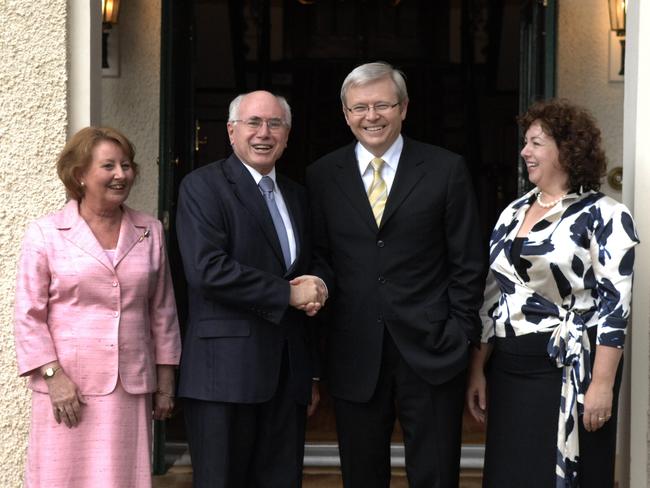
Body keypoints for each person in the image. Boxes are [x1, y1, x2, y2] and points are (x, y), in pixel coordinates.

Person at [306, 61, 485, 487]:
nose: (372, 116)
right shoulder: (321, 175)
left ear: (404, 108)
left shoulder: (445, 169)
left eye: (382, 104)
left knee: (436, 473)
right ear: (346, 113)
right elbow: (319, 257)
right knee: (362, 473)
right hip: (354, 350)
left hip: (432, 348)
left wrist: (459, 331)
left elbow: (468, 260)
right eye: (360, 107)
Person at [466, 99, 639, 488]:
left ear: (568, 148)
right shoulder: (512, 212)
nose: (525, 152)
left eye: (536, 143)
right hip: (510, 370)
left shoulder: (606, 214)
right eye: (525, 143)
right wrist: (478, 368)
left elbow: (615, 309)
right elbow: (493, 298)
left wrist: (602, 384)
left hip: (571, 370)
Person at [13, 127, 182, 487]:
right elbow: (29, 315)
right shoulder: (45, 233)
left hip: (129, 386)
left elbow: (162, 309)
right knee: (62, 477)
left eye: (126, 165)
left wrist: (165, 380)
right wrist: (53, 377)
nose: (122, 174)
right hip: (67, 388)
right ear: (80, 175)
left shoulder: (148, 230)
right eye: (109, 166)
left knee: (121, 478)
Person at [176, 90, 326, 488]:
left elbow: (311, 263)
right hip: (223, 375)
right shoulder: (202, 187)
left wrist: (319, 284)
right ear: (231, 131)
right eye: (253, 123)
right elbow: (208, 270)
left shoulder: (297, 194)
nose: (264, 133)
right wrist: (287, 294)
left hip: (286, 374)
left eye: (275, 124)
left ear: (287, 134)